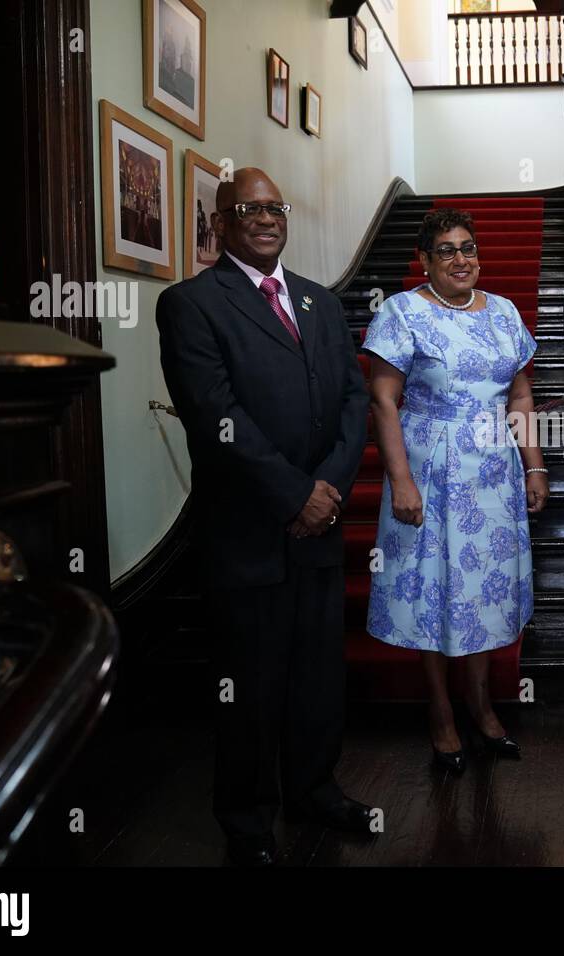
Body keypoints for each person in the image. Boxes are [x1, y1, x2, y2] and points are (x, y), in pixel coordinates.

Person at [157, 167, 376, 865]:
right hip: (248, 530)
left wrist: (331, 489)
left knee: (318, 675)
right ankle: (248, 823)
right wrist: (293, 494)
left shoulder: (319, 302)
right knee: (248, 686)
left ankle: (315, 788)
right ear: (220, 224)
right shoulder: (190, 304)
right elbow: (215, 414)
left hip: (319, 526)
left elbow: (353, 402)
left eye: (274, 206)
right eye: (247, 207)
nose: (265, 216)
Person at [363, 208, 546, 773]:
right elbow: (383, 400)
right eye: (446, 249)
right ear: (425, 259)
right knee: (435, 592)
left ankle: (482, 705)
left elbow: (519, 398)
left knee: (485, 594)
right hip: (432, 474)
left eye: (468, 247)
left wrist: (533, 465)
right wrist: (400, 480)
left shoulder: (505, 312)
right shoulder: (402, 313)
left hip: (494, 475)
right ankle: (441, 713)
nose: (461, 258)